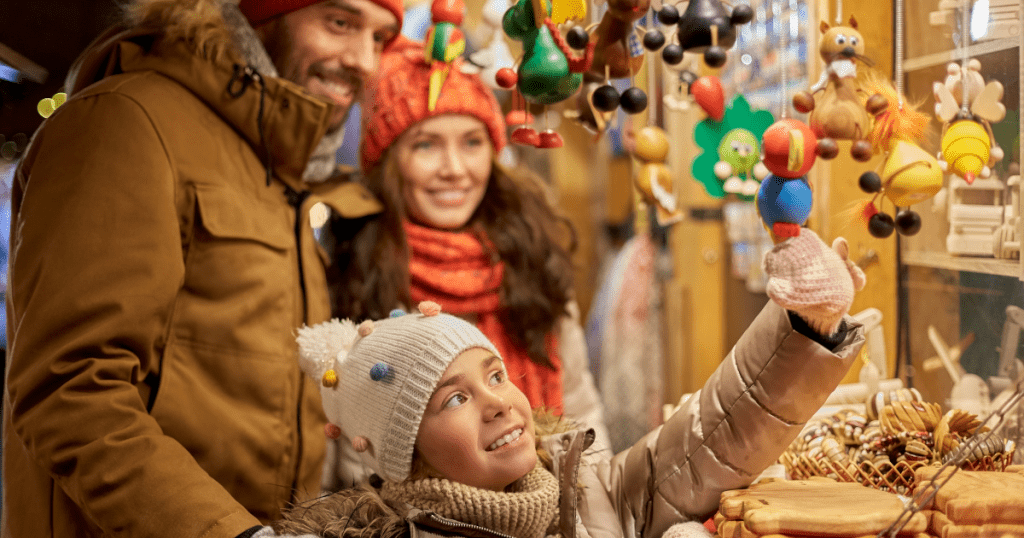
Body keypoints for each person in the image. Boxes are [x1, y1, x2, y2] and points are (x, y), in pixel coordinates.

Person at [2, 0, 403, 537]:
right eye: (339, 22)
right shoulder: (128, 119)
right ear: (263, 14)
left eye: (381, 38)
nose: (365, 61)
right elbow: (72, 388)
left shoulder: (276, 169)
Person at [272, 276, 866, 538]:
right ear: (406, 451)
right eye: (453, 398)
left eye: (495, 375)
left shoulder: (590, 492)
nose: (498, 403)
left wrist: (802, 333)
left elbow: (709, 438)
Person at [324, 39, 611, 479]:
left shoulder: (529, 254)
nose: (455, 168)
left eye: (472, 142)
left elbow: (581, 411)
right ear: (387, 159)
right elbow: (350, 462)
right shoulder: (353, 270)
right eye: (426, 145)